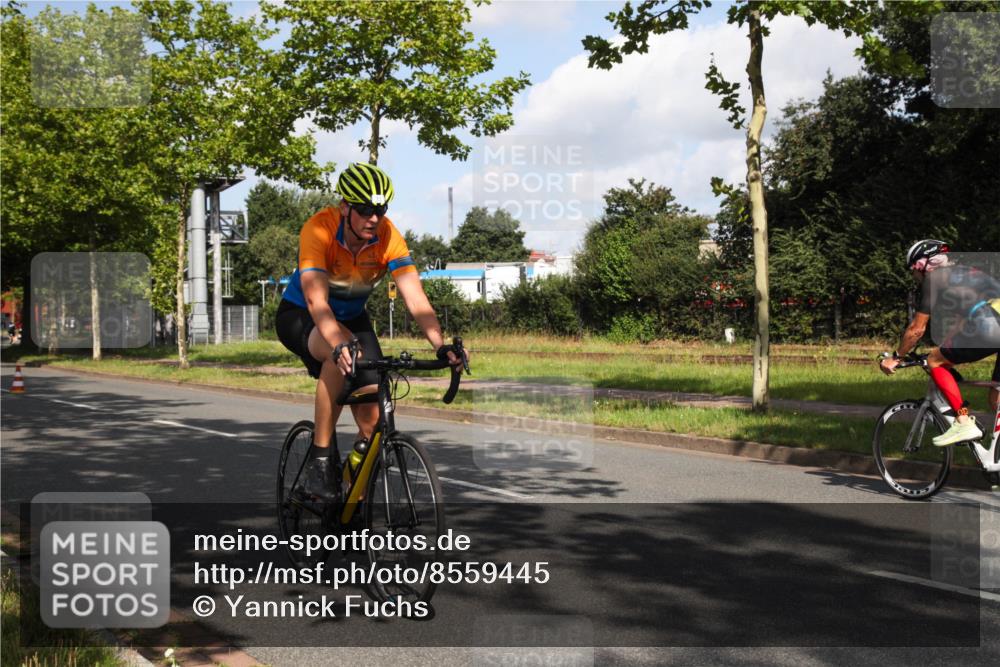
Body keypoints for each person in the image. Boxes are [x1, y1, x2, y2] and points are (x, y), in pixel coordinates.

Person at [276, 162, 465, 501]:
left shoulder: (388, 236)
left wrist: (440, 345)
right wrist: (337, 343)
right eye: (364, 210)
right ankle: (320, 460)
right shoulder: (318, 229)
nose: (374, 218)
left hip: (353, 319)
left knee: (375, 422)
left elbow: (415, 297)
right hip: (302, 315)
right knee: (341, 353)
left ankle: (352, 497)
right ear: (345, 207)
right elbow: (316, 299)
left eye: (381, 210)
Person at [879, 240, 1000, 446]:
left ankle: (963, 422)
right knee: (996, 400)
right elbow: (962, 322)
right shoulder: (965, 273)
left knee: (934, 361)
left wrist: (896, 357)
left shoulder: (934, 279)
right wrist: (944, 347)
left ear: (923, 265)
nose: (914, 275)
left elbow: (916, 329)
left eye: (913, 270)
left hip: (990, 326)